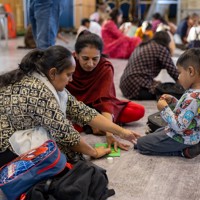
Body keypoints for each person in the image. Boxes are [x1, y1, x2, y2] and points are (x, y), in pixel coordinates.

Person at [0, 45, 141, 167]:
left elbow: (81, 111)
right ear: (53, 72)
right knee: (60, 159)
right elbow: (66, 134)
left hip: (21, 129)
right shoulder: (39, 91)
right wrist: (94, 152)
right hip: (6, 146)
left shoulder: (45, 79)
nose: (71, 79)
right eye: (69, 75)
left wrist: (122, 132)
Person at [66, 31, 145, 150]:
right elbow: (61, 96)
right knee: (63, 126)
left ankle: (95, 124)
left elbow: (106, 101)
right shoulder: (67, 64)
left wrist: (110, 133)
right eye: (85, 58)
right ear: (76, 54)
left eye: (95, 59)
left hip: (98, 107)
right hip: (75, 109)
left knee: (138, 110)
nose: (90, 64)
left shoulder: (105, 67)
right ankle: (92, 124)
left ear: (101, 55)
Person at [135, 48, 200, 158]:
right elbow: (187, 110)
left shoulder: (193, 98)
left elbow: (179, 126)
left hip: (181, 137)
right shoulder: (195, 93)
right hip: (192, 134)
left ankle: (184, 152)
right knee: (159, 130)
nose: (178, 77)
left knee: (141, 143)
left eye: (179, 73)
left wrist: (164, 109)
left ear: (190, 71)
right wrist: (173, 101)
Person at [119, 31, 179, 100]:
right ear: (167, 42)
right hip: (137, 88)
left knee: (159, 84)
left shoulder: (142, 45)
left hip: (125, 86)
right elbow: (174, 73)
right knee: (169, 91)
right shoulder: (161, 49)